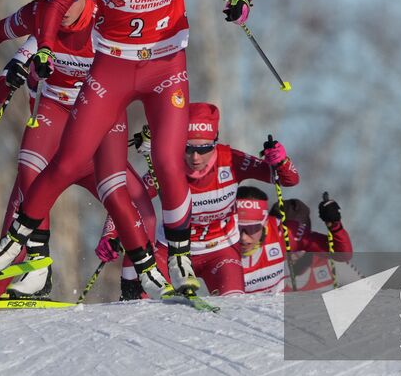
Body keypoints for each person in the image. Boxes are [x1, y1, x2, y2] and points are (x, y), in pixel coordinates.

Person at [0, 0, 255, 295]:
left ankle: (178, 257)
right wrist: (44, 47)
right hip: (114, 68)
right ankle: (17, 242)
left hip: (165, 67)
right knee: (68, 160)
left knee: (166, 158)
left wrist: (241, 0)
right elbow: (55, 5)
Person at [0, 0, 158, 300]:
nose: (57, 8)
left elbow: (146, 77)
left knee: (140, 211)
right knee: (16, 226)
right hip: (49, 142)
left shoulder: (107, 23)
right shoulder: (38, 23)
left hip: (92, 145)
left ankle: (137, 294)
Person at [93, 103, 300, 297]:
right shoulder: (168, 165)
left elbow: (288, 180)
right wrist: (110, 234)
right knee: (143, 296)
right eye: (188, 148)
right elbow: (129, 201)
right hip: (171, 250)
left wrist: (281, 162)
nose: (195, 158)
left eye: (204, 149)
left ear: (215, 142)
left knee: (233, 306)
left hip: (220, 251)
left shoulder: (232, 160)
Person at [238, 187, 351, 293]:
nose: (243, 237)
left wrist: (335, 225)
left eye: (253, 227)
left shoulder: (289, 235)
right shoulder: (223, 236)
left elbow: (342, 255)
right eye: (239, 227)